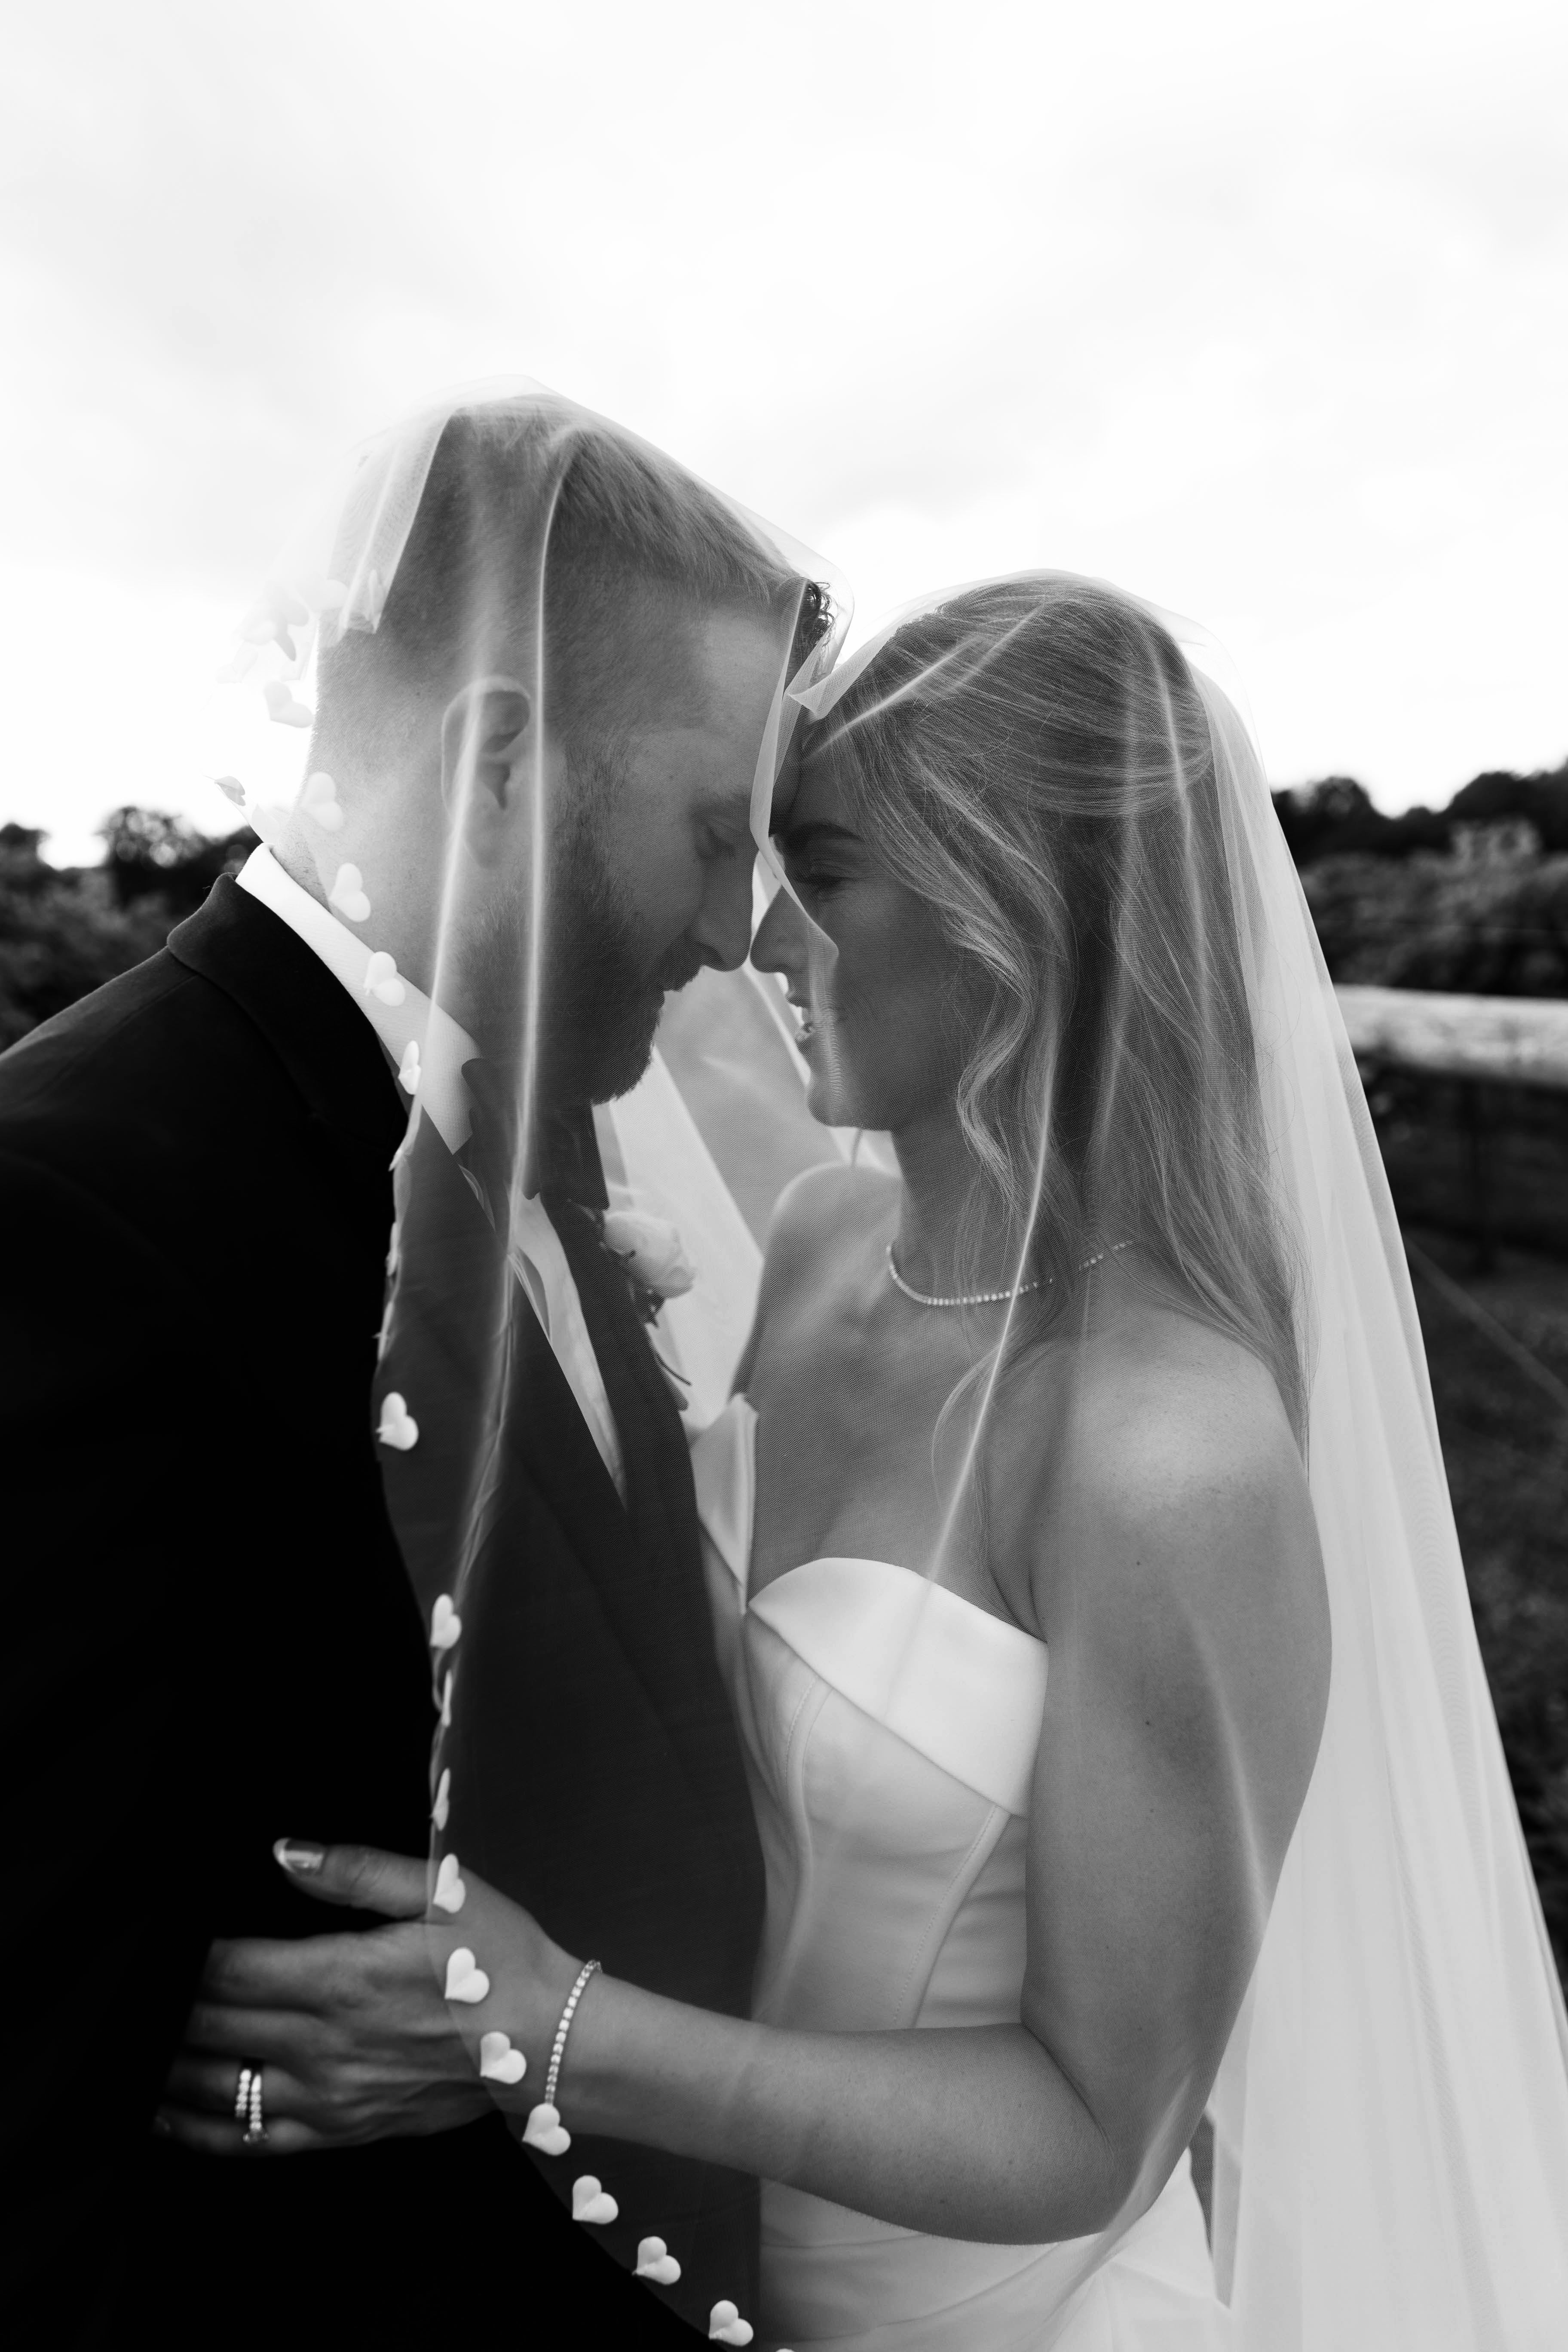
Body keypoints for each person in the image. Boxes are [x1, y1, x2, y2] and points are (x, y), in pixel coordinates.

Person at [156, 577, 1568, 2349]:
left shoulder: (1170, 1460)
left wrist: (550, 2024)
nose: (755, 942)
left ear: (1017, 920)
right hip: (666, 2256)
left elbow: (1092, 2128)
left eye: (823, 873)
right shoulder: (823, 1238)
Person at [0, 384, 842, 2346]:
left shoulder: (539, 1126)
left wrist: (562, 2026)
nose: (737, 932)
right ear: (496, 766)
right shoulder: (79, 1210)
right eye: (714, 834)